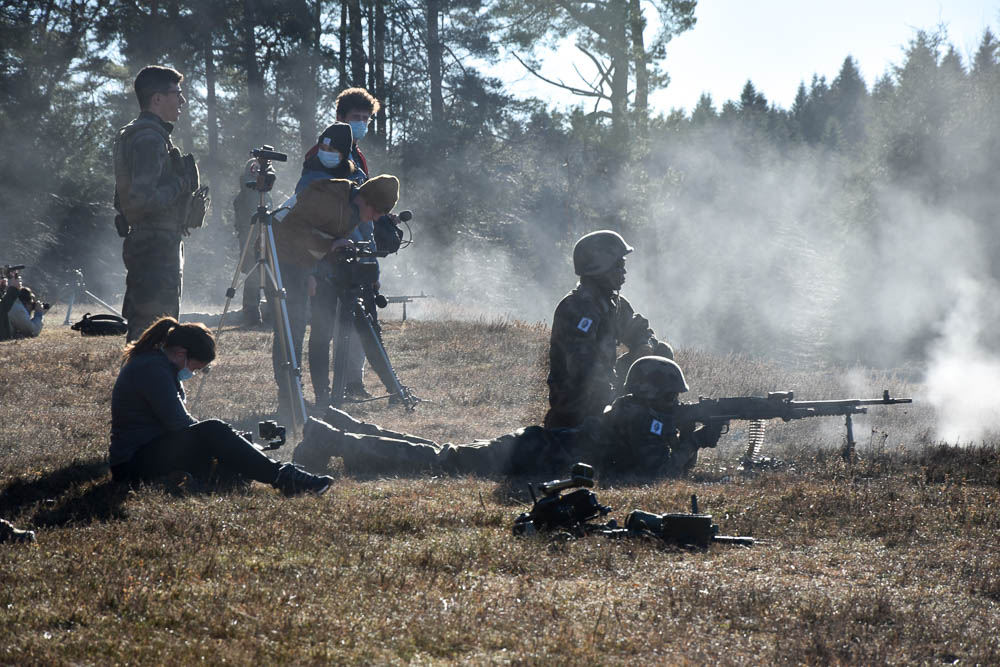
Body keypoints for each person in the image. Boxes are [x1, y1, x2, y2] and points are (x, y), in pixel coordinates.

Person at [293, 356, 723, 479]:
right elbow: (657, 471)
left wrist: (686, 434)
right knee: (441, 461)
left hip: (530, 448)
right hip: (529, 456)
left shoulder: (634, 409)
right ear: (653, 392)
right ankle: (334, 438)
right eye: (668, 396)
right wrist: (694, 443)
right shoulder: (639, 416)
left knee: (441, 454)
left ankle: (340, 426)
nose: (671, 403)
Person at [109, 316, 333, 495]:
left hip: (150, 452)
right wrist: (221, 436)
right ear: (181, 354)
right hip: (132, 464)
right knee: (215, 430)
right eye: (195, 368)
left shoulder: (159, 365)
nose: (193, 373)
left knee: (226, 446)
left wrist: (230, 439)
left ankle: (269, 473)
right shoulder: (152, 369)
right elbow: (178, 423)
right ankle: (283, 477)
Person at [271, 172, 401, 419]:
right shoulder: (331, 198)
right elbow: (292, 229)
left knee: (302, 326)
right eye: (375, 212)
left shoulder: (353, 207)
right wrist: (315, 266)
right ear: (366, 199)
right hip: (282, 258)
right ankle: (289, 399)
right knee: (292, 328)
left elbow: (325, 237)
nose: (373, 218)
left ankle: (306, 398)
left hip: (303, 261)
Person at [113, 65, 209, 342]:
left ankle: (147, 382)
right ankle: (142, 383)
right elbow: (142, 200)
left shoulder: (146, 135)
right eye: (176, 93)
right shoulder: (149, 138)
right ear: (157, 98)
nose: (182, 101)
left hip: (152, 244)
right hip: (154, 248)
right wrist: (181, 183)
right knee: (152, 333)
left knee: (153, 332)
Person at [543, 230, 674, 429]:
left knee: (661, 354)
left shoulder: (612, 303)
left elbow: (639, 330)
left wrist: (644, 346)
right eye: (618, 266)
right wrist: (619, 400)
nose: (624, 271)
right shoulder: (578, 308)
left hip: (605, 388)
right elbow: (584, 372)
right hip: (579, 403)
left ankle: (659, 419)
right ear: (599, 269)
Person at [232, 157, 276, 325]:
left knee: (265, 271)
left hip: (261, 233)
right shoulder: (249, 192)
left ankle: (264, 312)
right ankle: (251, 313)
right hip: (251, 234)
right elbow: (249, 212)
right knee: (253, 272)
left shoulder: (264, 193)